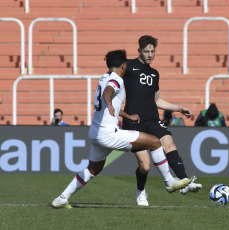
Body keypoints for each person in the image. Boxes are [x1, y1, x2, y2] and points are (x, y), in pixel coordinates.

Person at [51, 50, 191, 209]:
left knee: (92, 169)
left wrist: (127, 115)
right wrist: (109, 102)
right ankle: (169, 181)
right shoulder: (116, 79)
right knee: (154, 142)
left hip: (96, 133)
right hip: (108, 134)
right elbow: (108, 92)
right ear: (123, 65)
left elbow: (107, 98)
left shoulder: (103, 77)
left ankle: (62, 198)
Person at [122, 35, 202, 205]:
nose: (150, 55)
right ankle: (140, 191)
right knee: (145, 166)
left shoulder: (154, 73)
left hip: (152, 119)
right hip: (134, 123)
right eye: (146, 51)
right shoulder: (128, 66)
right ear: (139, 51)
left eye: (152, 52)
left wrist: (179, 108)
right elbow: (112, 78)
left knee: (169, 144)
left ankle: (184, 181)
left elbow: (157, 101)